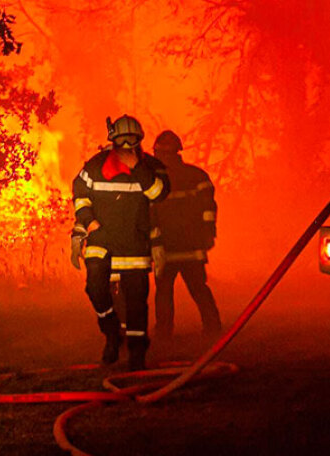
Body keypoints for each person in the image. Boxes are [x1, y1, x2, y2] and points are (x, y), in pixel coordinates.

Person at [70, 115, 169, 371]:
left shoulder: (151, 168)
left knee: (136, 301)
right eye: (121, 139)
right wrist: (87, 223)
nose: (126, 144)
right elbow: (79, 192)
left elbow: (159, 194)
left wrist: (137, 167)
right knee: (95, 288)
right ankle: (112, 334)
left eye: (132, 139)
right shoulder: (95, 166)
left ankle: (136, 352)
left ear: (140, 141)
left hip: (134, 244)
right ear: (112, 140)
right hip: (101, 240)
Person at [149, 130, 222, 340]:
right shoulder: (197, 176)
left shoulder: (154, 182)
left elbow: (149, 215)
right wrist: (208, 235)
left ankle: (164, 331)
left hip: (166, 248)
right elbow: (209, 208)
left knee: (164, 291)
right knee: (199, 288)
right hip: (192, 247)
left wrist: (153, 243)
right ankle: (213, 326)